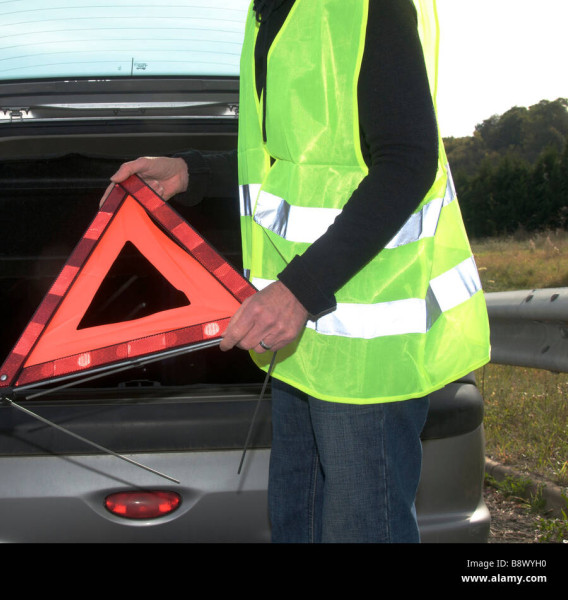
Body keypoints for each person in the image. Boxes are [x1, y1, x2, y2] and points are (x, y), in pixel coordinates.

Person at [109, 0, 489, 542]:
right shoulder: (269, 12)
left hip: (364, 351)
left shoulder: (364, 7)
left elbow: (407, 160)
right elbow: (293, 159)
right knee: (297, 524)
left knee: (358, 531)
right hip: (299, 345)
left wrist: (297, 293)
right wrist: (195, 170)